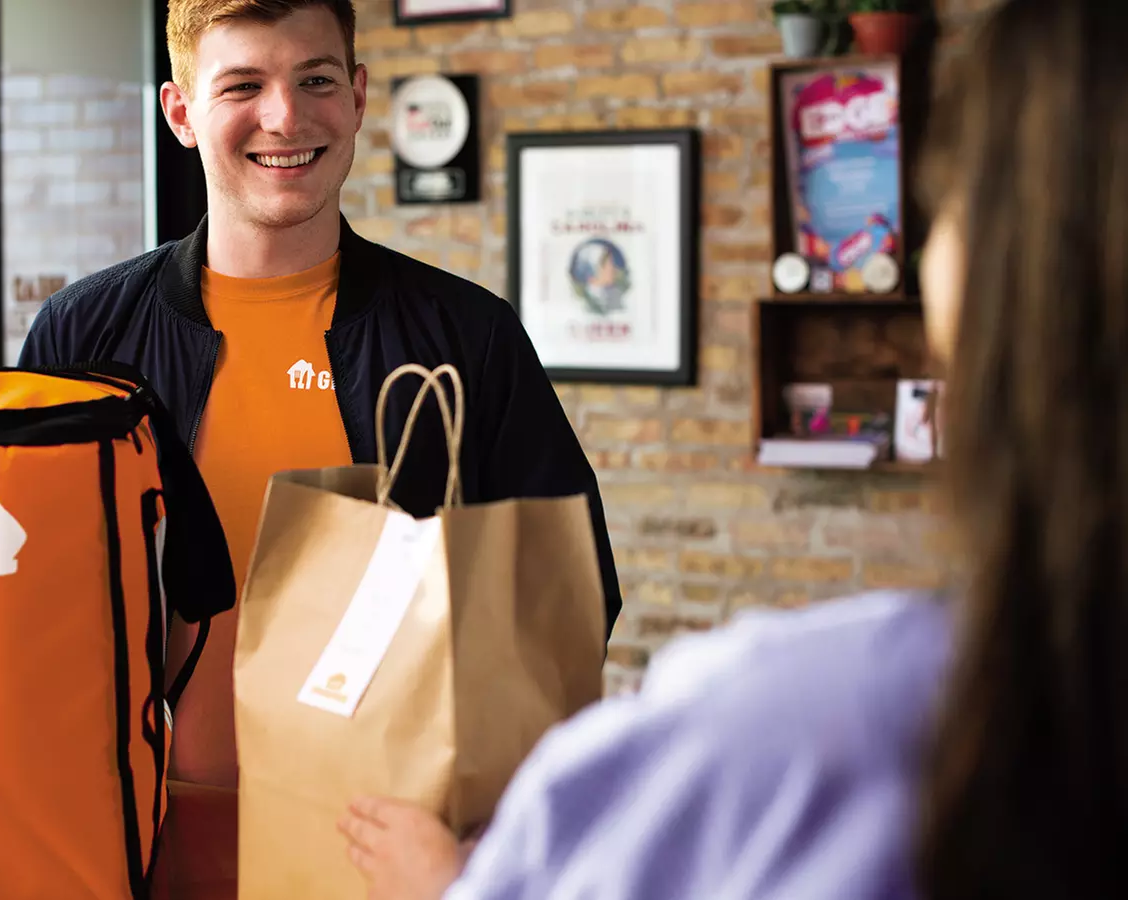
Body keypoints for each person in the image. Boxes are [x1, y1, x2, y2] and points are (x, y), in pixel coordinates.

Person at [338, 1, 1128, 897]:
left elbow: (573, 580)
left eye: (945, 206)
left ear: (993, 278)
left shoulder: (794, 733)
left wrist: (452, 887)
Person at [8, 0, 621, 791]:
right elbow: (25, 595)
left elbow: (569, 599)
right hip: (144, 825)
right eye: (243, 86)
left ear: (358, 97)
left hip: (389, 826)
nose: (285, 116)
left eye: (316, 80)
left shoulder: (468, 337)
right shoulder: (84, 336)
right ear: (181, 113)